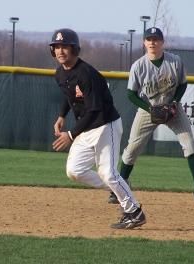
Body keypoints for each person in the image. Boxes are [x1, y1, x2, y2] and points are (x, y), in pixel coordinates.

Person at [49, 28, 146, 229]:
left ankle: (134, 212)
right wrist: (61, 115)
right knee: (74, 171)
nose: (60, 51)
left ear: (74, 49)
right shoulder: (60, 73)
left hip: (105, 124)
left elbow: (94, 110)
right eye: (56, 47)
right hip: (86, 128)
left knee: (109, 173)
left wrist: (70, 134)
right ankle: (120, 187)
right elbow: (69, 96)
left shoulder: (87, 74)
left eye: (64, 46)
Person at [108, 27, 194, 205]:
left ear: (162, 42)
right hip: (148, 108)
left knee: (189, 144)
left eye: (156, 39)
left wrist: (174, 102)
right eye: (149, 39)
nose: (152, 42)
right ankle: (120, 186)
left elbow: (182, 84)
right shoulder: (139, 66)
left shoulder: (175, 61)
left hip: (172, 107)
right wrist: (149, 109)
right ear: (144, 42)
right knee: (133, 148)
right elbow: (131, 94)